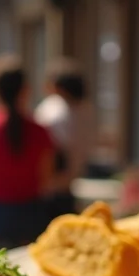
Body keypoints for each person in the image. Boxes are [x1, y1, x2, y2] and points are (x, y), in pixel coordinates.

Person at [0, 55, 55, 249]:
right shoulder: (39, 130)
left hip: (0, 210)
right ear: (26, 90)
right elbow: (46, 176)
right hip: (33, 211)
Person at [35, 58, 90, 219]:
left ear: (57, 87)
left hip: (51, 189)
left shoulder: (54, 109)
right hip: (70, 185)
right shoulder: (85, 111)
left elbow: (56, 152)